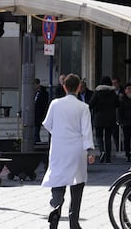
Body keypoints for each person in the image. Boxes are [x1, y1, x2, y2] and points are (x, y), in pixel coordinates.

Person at [41, 73, 95, 229]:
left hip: (59, 148)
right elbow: (87, 131)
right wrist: (90, 151)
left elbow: (47, 124)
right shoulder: (83, 107)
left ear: (64, 86)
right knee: (77, 185)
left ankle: (55, 211)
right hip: (77, 149)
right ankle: (74, 222)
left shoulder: (55, 104)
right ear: (79, 87)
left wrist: (59, 132)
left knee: (58, 184)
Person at [89, 76, 120, 164]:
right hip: (110, 118)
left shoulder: (97, 92)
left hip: (98, 117)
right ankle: (108, 158)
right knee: (108, 138)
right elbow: (118, 104)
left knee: (98, 136)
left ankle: (102, 150)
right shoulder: (113, 93)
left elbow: (91, 104)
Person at [34, 78, 49, 143]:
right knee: (35, 132)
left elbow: (43, 104)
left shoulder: (43, 93)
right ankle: (37, 141)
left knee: (36, 131)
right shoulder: (34, 93)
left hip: (39, 114)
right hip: (34, 115)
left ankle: (37, 142)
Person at [111, 77, 124, 152]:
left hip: (122, 113)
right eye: (113, 83)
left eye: (115, 83)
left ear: (118, 83)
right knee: (115, 132)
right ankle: (118, 147)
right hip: (114, 115)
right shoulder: (110, 92)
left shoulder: (123, 91)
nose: (114, 85)